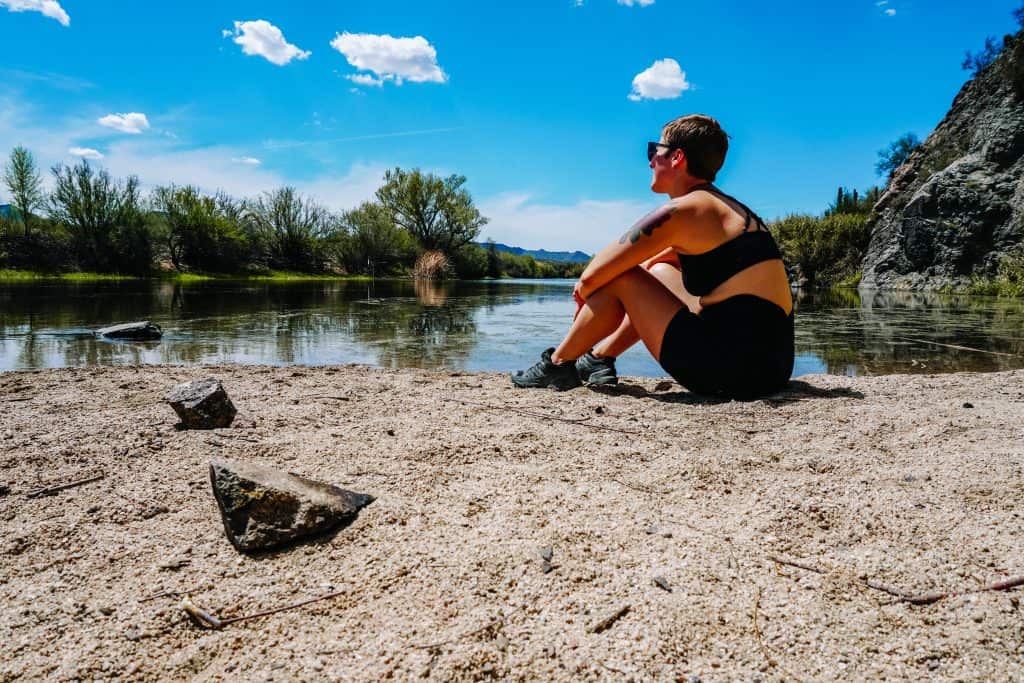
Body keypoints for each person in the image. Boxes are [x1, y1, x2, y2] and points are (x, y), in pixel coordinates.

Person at [511, 114, 794, 400]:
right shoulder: (730, 210)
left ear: (677, 158)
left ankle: (558, 363)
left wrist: (587, 297)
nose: (649, 161)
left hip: (729, 373)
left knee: (622, 276)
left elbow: (595, 274)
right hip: (772, 368)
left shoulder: (682, 211)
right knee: (658, 269)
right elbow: (655, 263)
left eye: (654, 150)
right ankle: (599, 357)